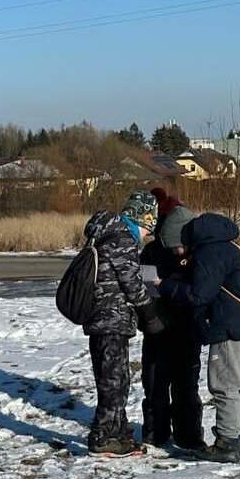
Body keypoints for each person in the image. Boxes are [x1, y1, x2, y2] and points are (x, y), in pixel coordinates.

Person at [156, 213, 240, 462]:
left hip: (230, 329)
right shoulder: (226, 247)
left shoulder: (211, 252)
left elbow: (199, 295)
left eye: (176, 246)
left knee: (224, 385)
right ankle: (235, 438)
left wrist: (163, 285)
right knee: (233, 385)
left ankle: (227, 444)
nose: (178, 252)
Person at [79, 191, 159, 457]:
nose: (148, 235)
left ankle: (118, 432)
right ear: (142, 219)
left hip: (101, 318)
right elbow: (132, 284)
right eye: (149, 228)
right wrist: (149, 312)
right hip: (111, 319)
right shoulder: (123, 238)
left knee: (115, 379)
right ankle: (103, 437)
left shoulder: (104, 233)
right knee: (113, 382)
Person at [139, 190, 206, 452]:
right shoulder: (156, 250)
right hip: (162, 324)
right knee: (170, 382)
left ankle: (177, 434)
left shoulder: (191, 251)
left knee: (173, 382)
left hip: (174, 324)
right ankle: (168, 433)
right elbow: (143, 285)